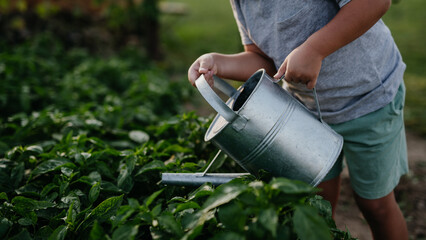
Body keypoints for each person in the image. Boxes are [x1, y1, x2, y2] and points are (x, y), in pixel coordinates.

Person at [187, 0, 409, 239]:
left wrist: (315, 49)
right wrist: (216, 62)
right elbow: (263, 59)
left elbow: (374, 3)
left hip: (368, 99)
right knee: (315, 205)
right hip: (305, 113)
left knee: (375, 205)